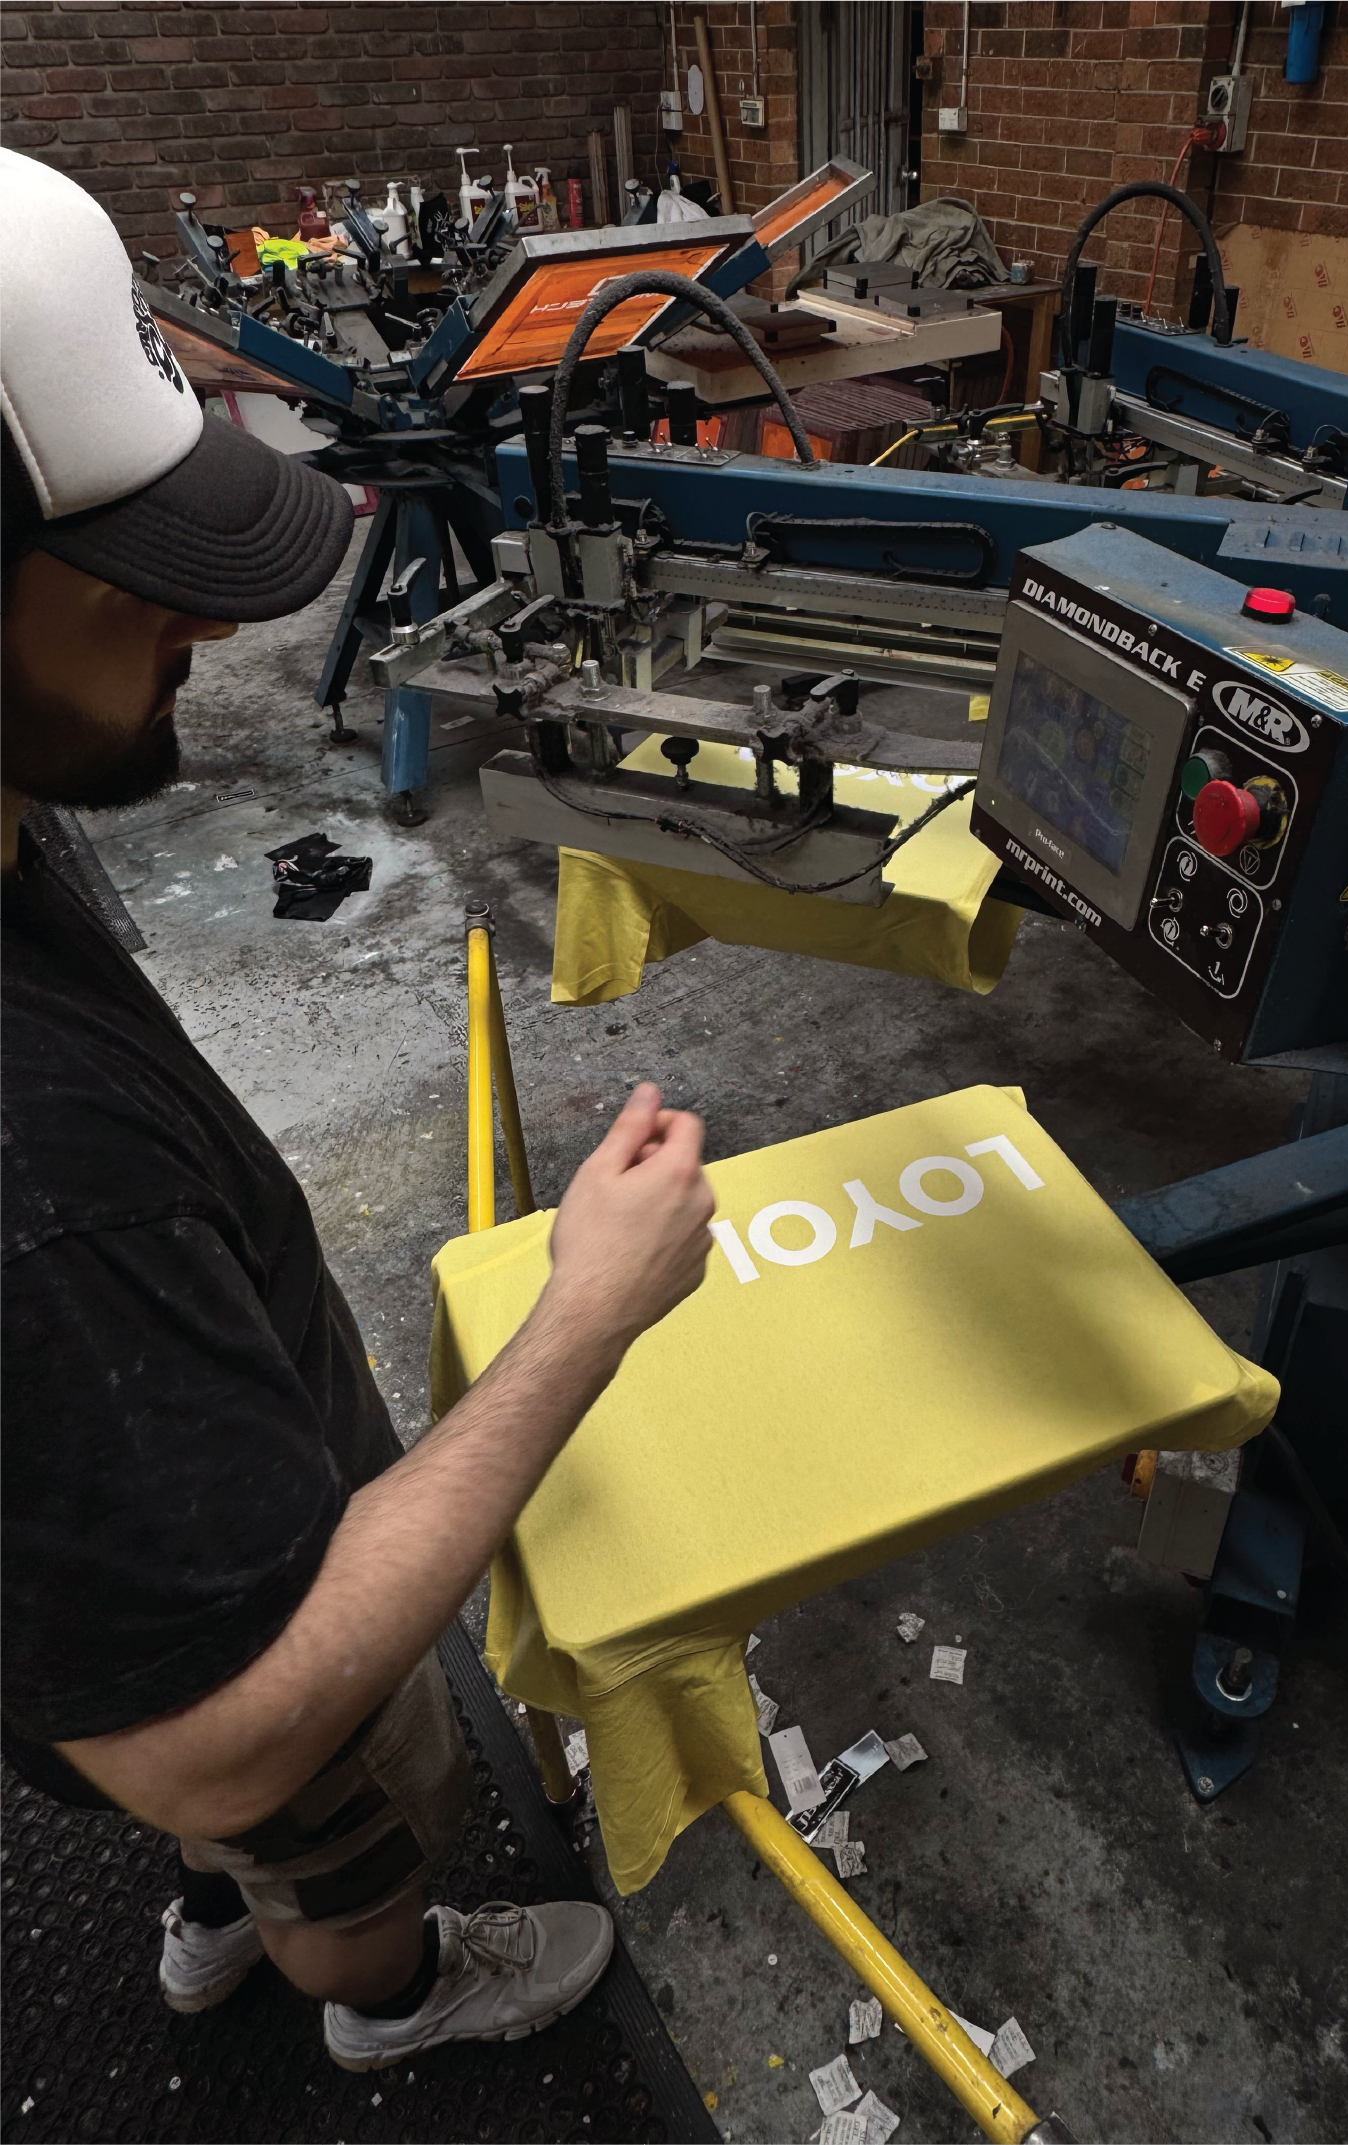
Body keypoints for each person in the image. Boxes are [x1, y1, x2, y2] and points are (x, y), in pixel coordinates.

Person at [0, 147, 716, 2071]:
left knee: (190, 1761)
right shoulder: (42, 1172)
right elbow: (218, 1715)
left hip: (119, 1567)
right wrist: (592, 1308)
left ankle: (211, 1898)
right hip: (239, 1658)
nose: (206, 627)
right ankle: (393, 2003)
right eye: (131, 572)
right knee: (314, 1796)